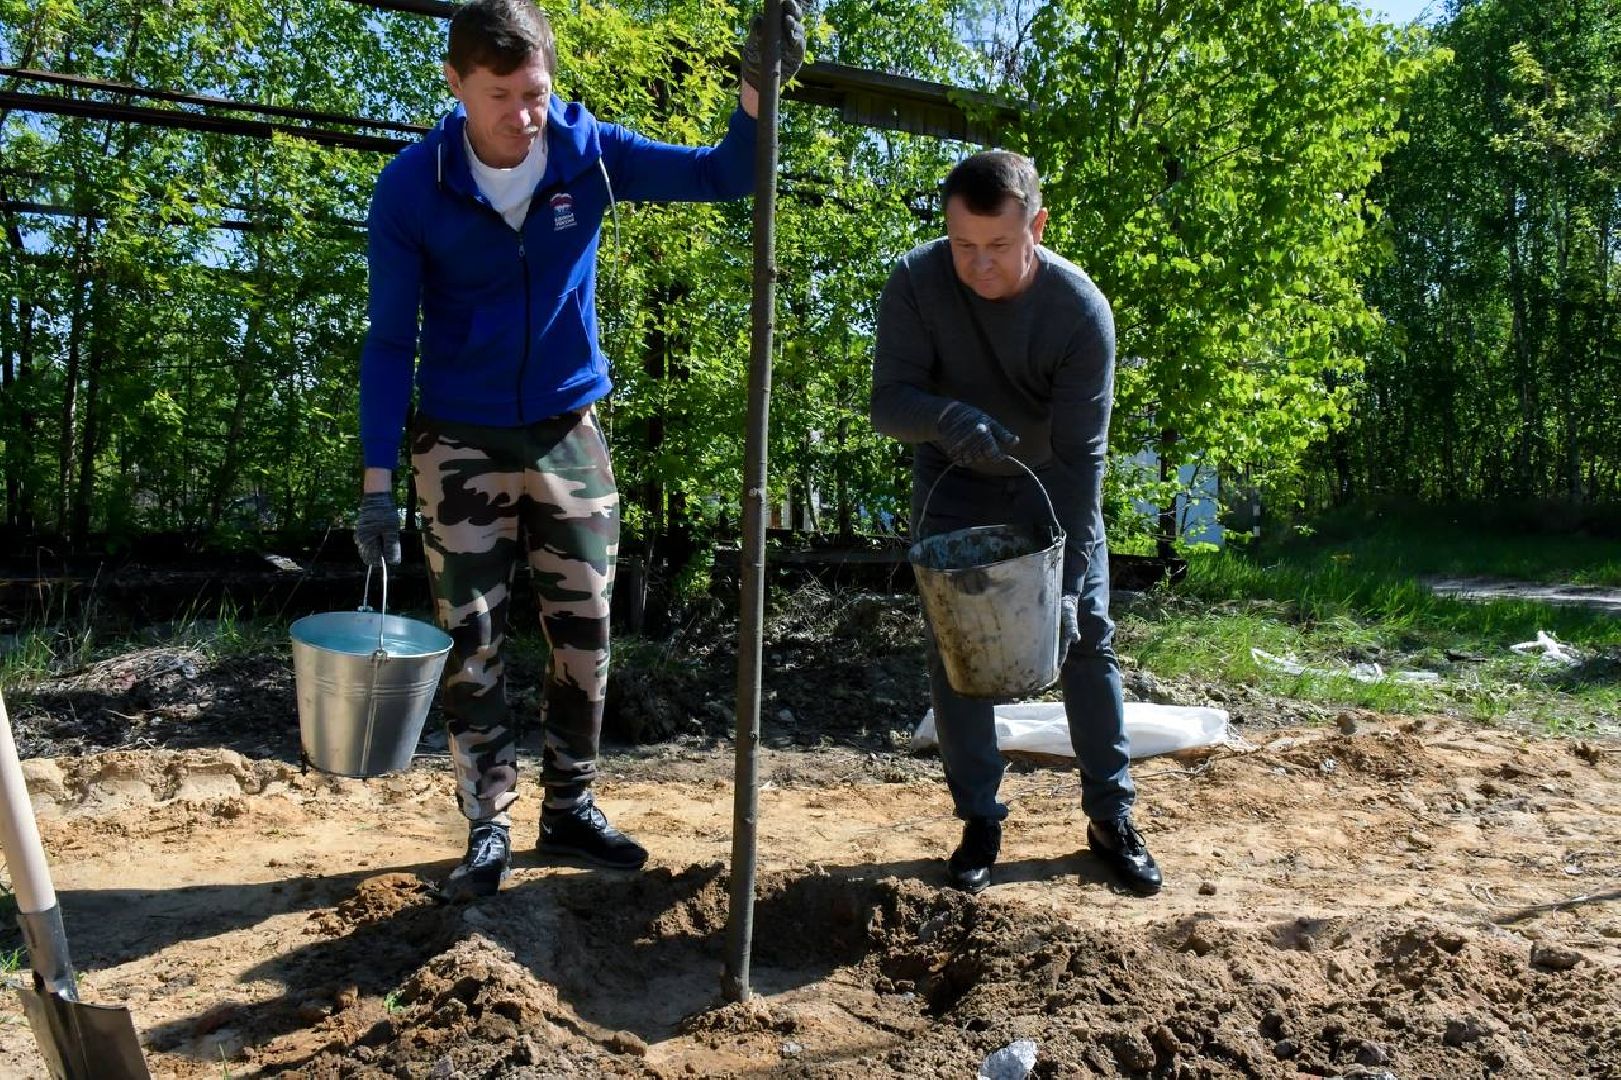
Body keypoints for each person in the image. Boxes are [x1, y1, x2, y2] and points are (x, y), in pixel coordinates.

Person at [353, 0, 806, 900]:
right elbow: (386, 341)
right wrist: (376, 485)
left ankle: (570, 806)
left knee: (587, 632)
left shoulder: (587, 151)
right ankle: (488, 823)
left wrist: (760, 88)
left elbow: (725, 176)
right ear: (454, 85)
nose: (524, 116)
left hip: (568, 430)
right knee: (472, 638)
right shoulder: (412, 186)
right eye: (500, 97)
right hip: (459, 439)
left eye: (536, 92)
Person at [870, 150, 1162, 897]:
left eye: (997, 246)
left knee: (1086, 638)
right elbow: (887, 403)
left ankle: (1110, 817)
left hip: (1051, 489)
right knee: (956, 647)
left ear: (1035, 225)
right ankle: (980, 820)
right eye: (962, 245)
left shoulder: (1076, 311)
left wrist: (1061, 591)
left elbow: (1079, 462)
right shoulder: (916, 282)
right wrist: (946, 418)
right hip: (955, 482)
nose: (978, 265)